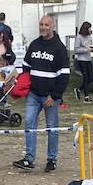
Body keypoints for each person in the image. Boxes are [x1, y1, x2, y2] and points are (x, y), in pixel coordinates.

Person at [14, 14, 69, 173]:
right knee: (29, 123)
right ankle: (29, 159)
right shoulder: (34, 44)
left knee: (52, 128)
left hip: (50, 96)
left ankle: (52, 159)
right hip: (33, 94)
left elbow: (64, 75)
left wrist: (55, 95)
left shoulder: (59, 48)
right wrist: (26, 84)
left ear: (52, 26)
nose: (43, 27)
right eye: (41, 24)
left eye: (46, 24)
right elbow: (26, 65)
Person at [73, 22, 93, 103]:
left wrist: (92, 49)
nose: (90, 29)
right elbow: (76, 50)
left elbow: (90, 45)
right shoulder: (79, 37)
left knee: (91, 78)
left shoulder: (89, 36)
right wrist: (86, 50)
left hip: (88, 59)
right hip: (81, 60)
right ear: (85, 28)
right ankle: (86, 97)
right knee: (85, 77)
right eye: (89, 28)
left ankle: (78, 89)